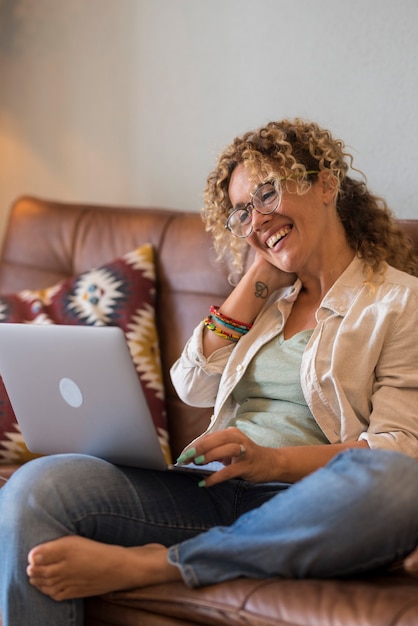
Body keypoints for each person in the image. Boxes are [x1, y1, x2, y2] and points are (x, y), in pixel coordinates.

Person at [2, 118, 418, 625]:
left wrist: (270, 463)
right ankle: (205, 554)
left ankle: (164, 565)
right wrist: (260, 275)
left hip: (302, 503)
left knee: (401, 484)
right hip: (203, 489)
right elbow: (191, 385)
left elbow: (400, 447)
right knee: (36, 486)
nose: (255, 220)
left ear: (327, 184)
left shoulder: (400, 302)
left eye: (266, 195)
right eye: (241, 214)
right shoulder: (268, 298)